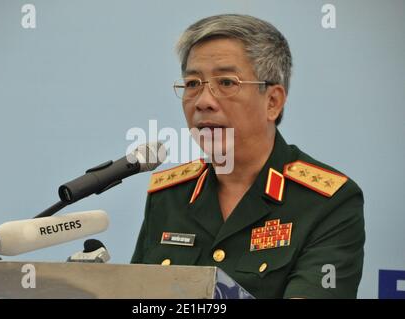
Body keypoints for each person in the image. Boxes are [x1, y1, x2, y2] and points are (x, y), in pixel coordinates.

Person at [131, 14, 365, 299]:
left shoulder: (327, 202)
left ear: (273, 102)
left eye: (227, 82)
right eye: (192, 83)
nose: (203, 101)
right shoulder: (169, 196)